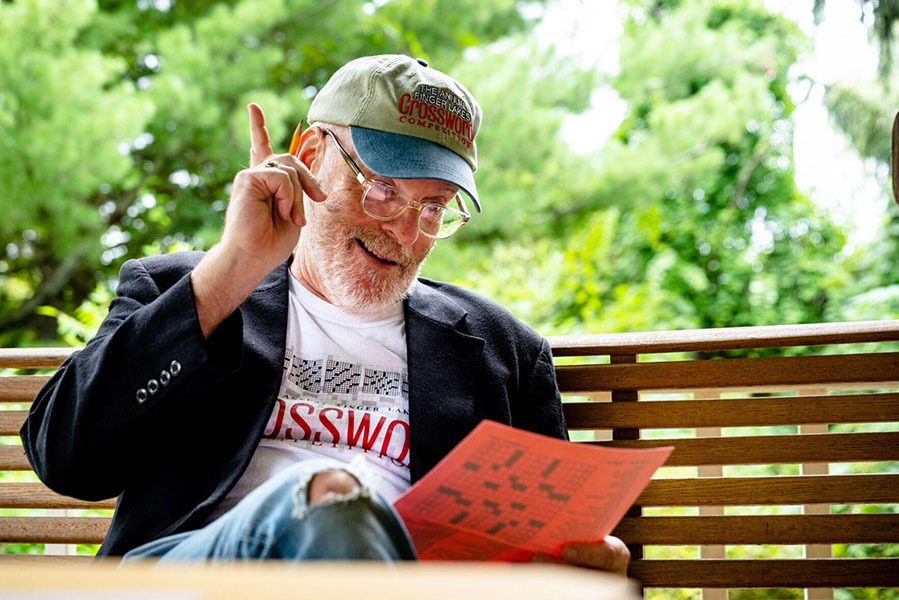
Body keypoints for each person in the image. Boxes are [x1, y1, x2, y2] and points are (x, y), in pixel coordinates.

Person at [21, 55, 629, 574]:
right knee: (331, 499)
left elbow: (552, 542)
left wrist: (585, 568)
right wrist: (234, 268)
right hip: (192, 578)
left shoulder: (501, 350)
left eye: (434, 207)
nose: (403, 229)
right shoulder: (182, 289)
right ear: (310, 154)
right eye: (383, 187)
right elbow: (66, 460)